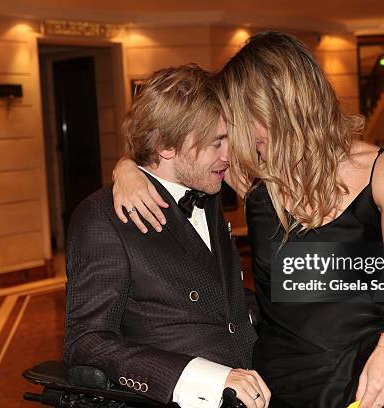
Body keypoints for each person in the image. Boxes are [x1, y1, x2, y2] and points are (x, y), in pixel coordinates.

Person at [111, 32, 384, 408]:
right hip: (283, 380)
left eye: (244, 120)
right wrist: (127, 167)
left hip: (372, 359)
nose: (236, 137)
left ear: (279, 107)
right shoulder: (251, 175)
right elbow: (177, 156)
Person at [64, 64, 271, 408]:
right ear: (165, 145)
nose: (228, 156)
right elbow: (87, 341)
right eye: (216, 143)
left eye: (228, 141)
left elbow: (208, 296)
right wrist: (208, 378)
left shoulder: (209, 190)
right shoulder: (102, 216)